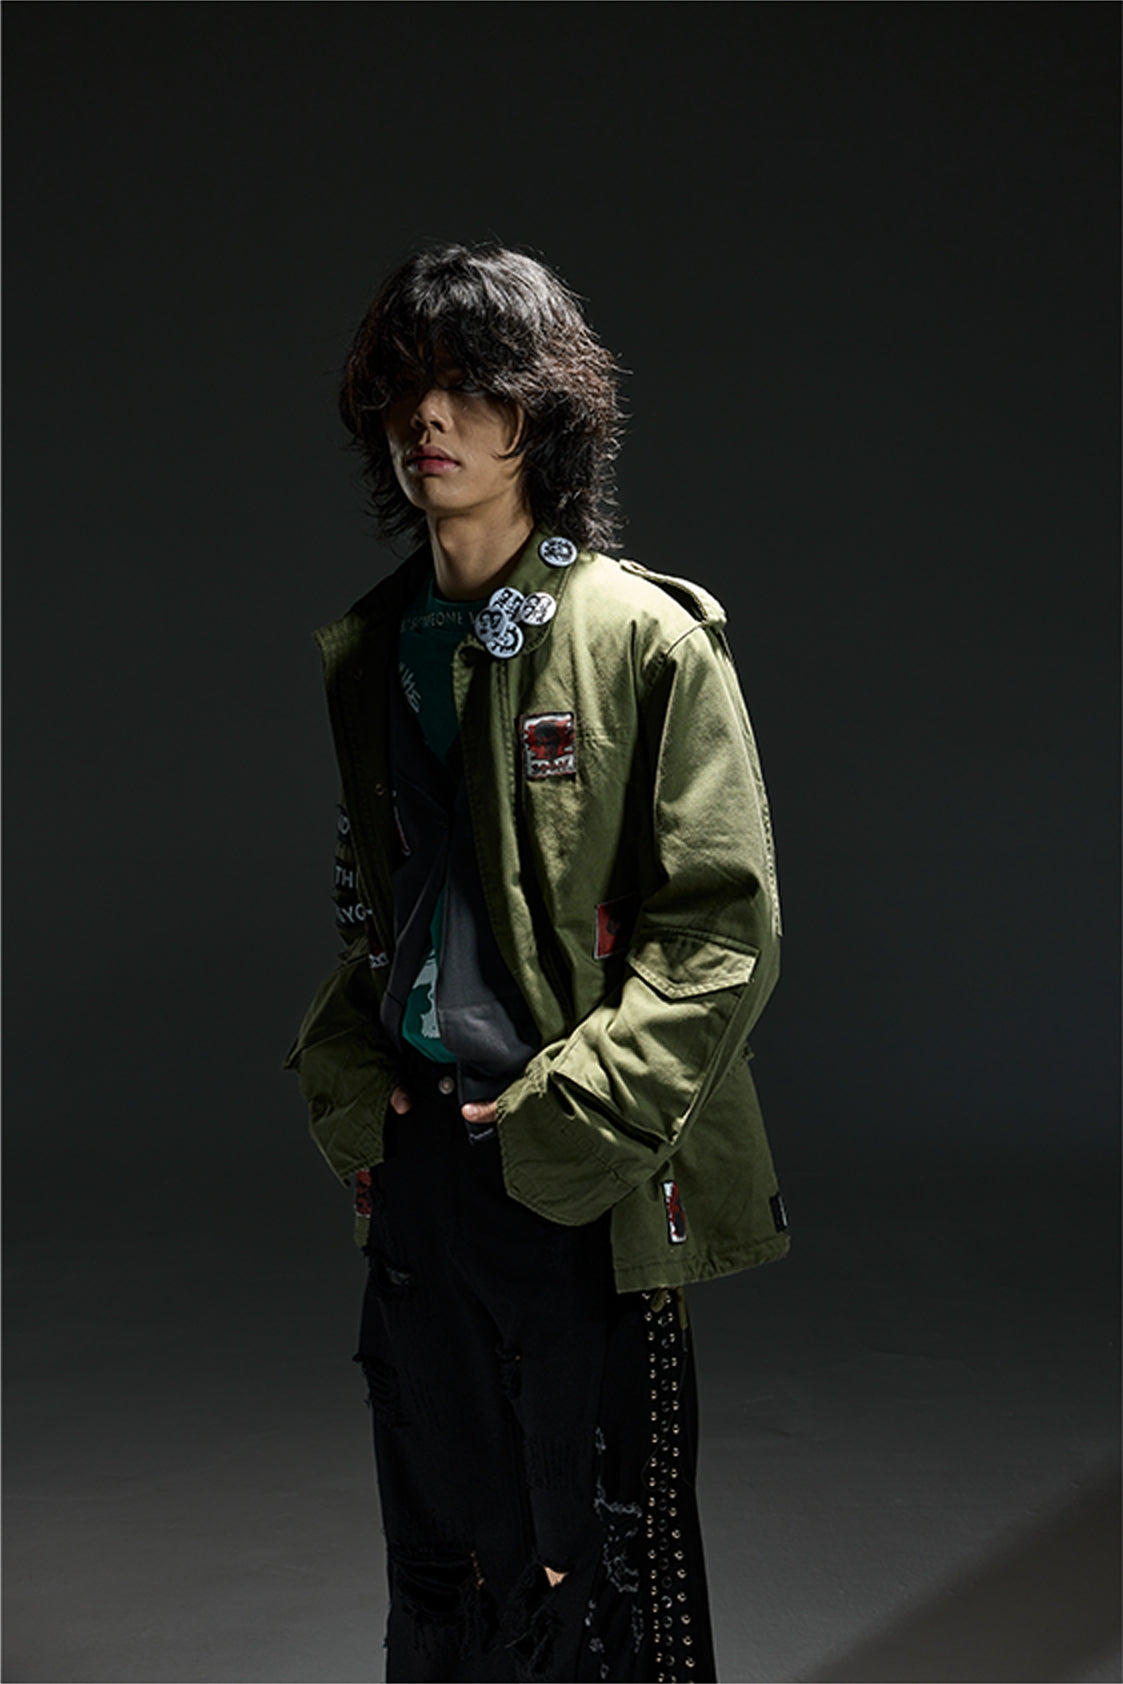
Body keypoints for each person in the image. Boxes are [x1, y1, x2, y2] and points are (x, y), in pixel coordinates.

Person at [284, 243, 788, 1684]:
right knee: (442, 1568)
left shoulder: (644, 639)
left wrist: (575, 1116)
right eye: (402, 389)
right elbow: (386, 912)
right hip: (420, 1170)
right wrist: (351, 1080)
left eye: (466, 385)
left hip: (579, 1170)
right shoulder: (374, 650)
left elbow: (722, 930)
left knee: (605, 1578)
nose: (426, 418)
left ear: (541, 412)